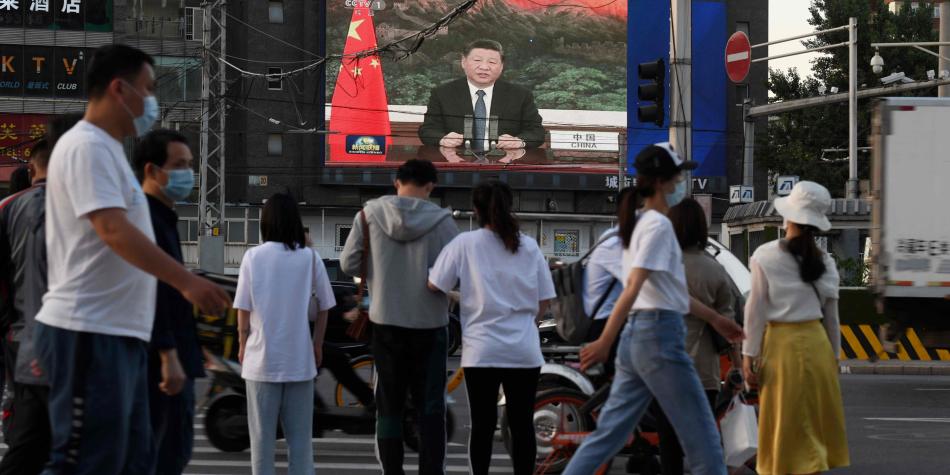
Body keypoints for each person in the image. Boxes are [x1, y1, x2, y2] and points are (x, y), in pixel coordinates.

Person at [33, 44, 230, 474]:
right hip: (87, 328)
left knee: (126, 460)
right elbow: (112, 230)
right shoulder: (86, 147)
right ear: (119, 89)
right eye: (149, 88)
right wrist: (186, 282)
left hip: (117, 331)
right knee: (84, 461)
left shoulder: (108, 152)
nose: (152, 100)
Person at [563, 143, 743, 475]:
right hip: (659, 337)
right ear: (661, 181)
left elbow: (665, 291)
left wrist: (717, 320)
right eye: (677, 177)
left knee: (607, 436)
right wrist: (604, 341)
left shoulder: (641, 224)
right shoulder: (658, 227)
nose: (680, 184)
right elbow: (633, 287)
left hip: (640, 338)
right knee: (704, 440)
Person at [339, 159, 459, 475]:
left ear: (396, 182)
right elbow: (456, 275)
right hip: (431, 327)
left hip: (386, 325)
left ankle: (392, 471)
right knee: (431, 408)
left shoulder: (368, 215)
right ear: (430, 186)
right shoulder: (444, 222)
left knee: (389, 408)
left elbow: (349, 264)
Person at [428, 180, 555, 475]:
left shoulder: (465, 244)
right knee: (522, 425)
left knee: (483, 426)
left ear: (476, 210)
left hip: (482, 349)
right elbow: (545, 299)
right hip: (523, 350)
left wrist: (459, 296)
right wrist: (528, 324)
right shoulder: (529, 246)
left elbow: (435, 284)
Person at [742, 181, 849, 475]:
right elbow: (832, 319)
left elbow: (756, 311)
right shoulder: (825, 261)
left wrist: (748, 355)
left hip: (781, 346)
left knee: (782, 423)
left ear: (787, 218)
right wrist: (834, 360)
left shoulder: (765, 256)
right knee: (811, 426)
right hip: (817, 347)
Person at [0, 113, 82, 475]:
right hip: (51, 343)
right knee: (39, 442)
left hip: (21, 338)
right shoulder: (77, 209)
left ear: (32, 166)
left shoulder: (9, 208)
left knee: (33, 437)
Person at [234, 193, 336, 475]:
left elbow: (243, 308)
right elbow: (326, 306)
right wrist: (317, 345)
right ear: (295, 221)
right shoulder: (310, 257)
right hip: (299, 363)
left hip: (260, 363)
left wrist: (243, 344)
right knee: (301, 445)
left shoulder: (252, 257)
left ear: (265, 222)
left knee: (262, 445)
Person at [132, 129, 205, 475]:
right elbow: (150, 288)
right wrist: (168, 353)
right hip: (160, 363)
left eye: (190, 165)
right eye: (178, 165)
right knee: (164, 456)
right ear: (151, 171)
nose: (187, 174)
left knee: (170, 454)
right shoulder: (144, 220)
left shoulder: (162, 217)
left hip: (174, 353)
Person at [656, 198, 738, 475]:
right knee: (703, 442)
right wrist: (738, 366)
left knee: (668, 441)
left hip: (664, 365)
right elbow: (728, 327)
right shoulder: (716, 270)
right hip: (703, 371)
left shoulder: (662, 266)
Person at [418, 39, 545, 151]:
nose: (484, 67)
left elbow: (536, 131)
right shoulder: (443, 93)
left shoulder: (520, 95)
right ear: (463, 62)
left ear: (501, 67)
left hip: (504, 162)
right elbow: (428, 130)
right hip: (458, 161)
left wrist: (519, 141)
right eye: (477, 60)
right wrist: (443, 139)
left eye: (492, 62)